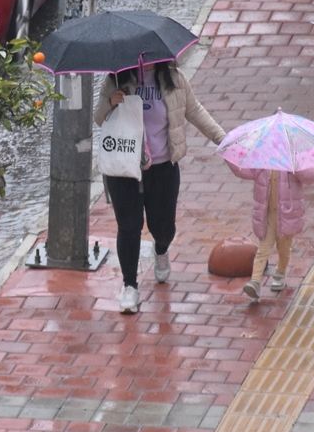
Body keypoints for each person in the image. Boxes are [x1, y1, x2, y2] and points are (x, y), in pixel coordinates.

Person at [95, 60, 226, 313]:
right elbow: (99, 117)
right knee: (129, 225)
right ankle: (130, 286)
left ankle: (161, 248)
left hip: (163, 166)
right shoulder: (117, 78)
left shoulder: (175, 79)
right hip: (125, 167)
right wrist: (111, 102)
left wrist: (223, 138)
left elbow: (195, 110)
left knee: (163, 226)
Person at [236, 166, 314, 303]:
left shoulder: (293, 160)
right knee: (263, 248)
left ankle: (280, 272)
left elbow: (311, 177)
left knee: (284, 248)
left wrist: (295, 165)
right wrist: (228, 158)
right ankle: (255, 281)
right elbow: (242, 170)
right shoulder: (263, 161)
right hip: (267, 215)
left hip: (287, 215)